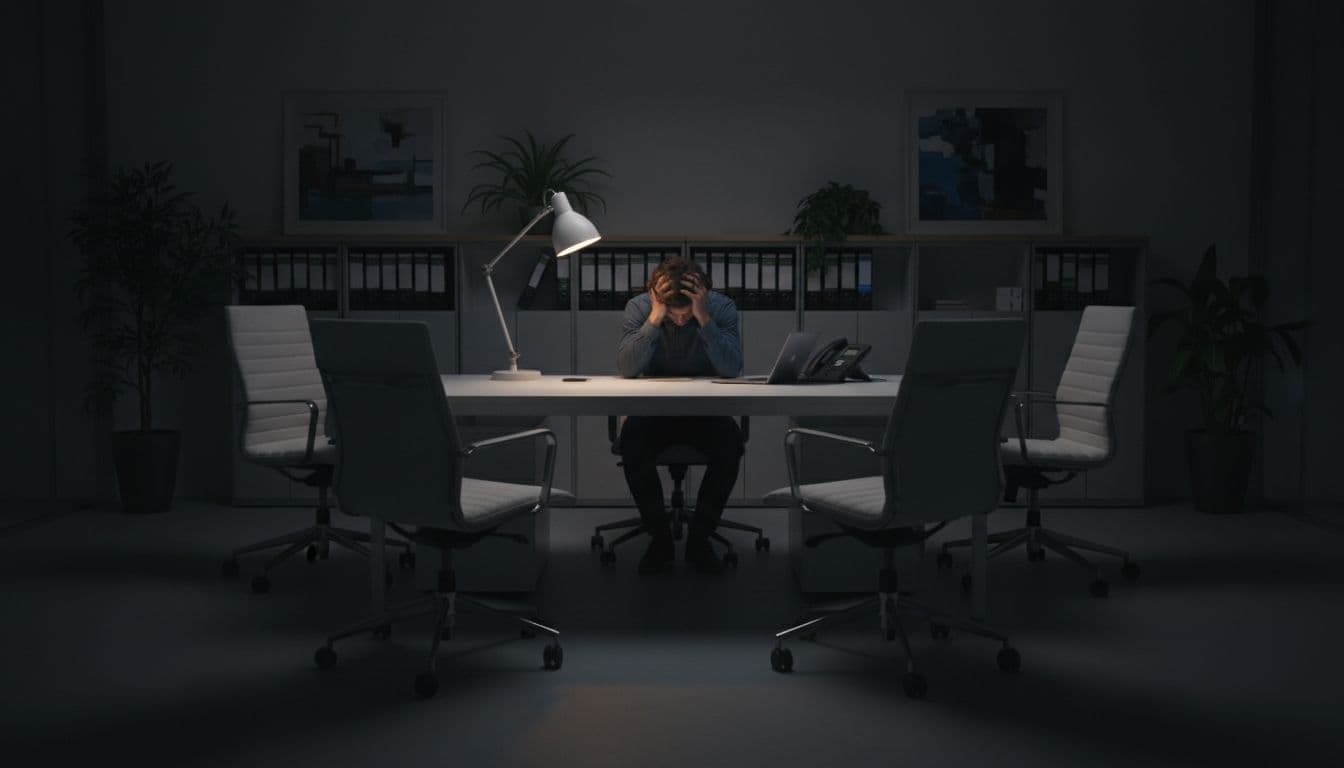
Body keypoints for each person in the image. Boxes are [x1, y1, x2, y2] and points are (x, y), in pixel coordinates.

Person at [616, 255, 744, 574]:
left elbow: (731, 368)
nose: (680, 320)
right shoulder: (640, 307)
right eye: (673, 314)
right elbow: (627, 369)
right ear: (656, 298)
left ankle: (700, 538)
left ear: (701, 297)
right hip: (654, 414)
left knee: (730, 442)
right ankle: (659, 537)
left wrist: (704, 320)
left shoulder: (721, 307)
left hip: (704, 414)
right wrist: (655, 319)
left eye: (686, 312)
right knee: (632, 440)